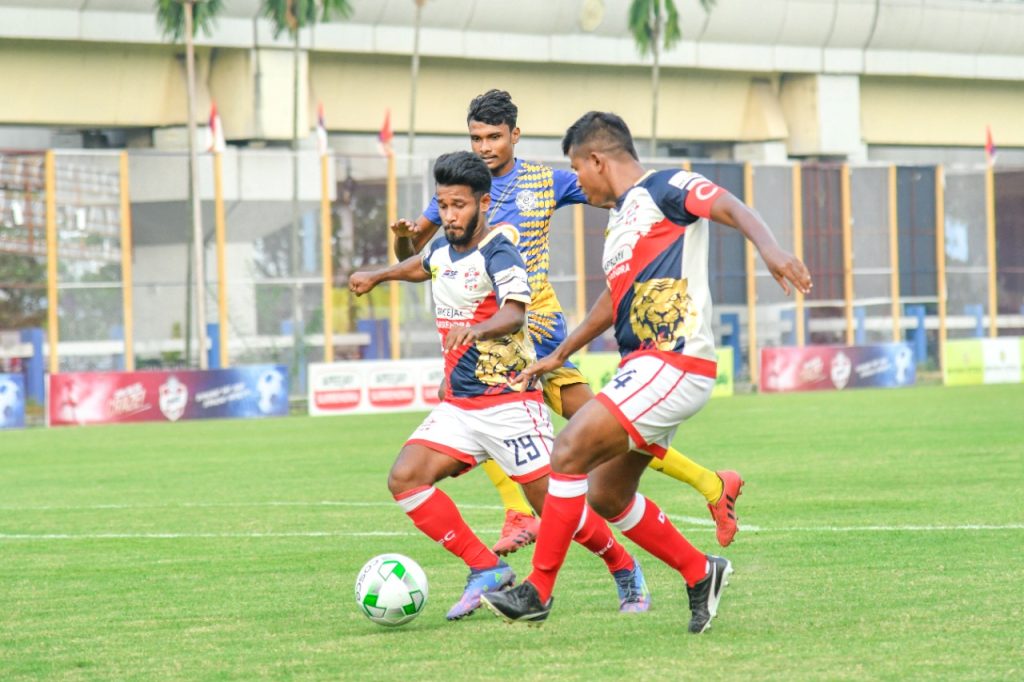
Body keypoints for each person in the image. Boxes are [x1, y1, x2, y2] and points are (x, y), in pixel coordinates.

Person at [481, 112, 813, 633]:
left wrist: (769, 248)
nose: (579, 182)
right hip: (643, 367)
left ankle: (537, 591)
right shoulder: (621, 221)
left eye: (577, 169)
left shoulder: (664, 187)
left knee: (566, 451)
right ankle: (700, 571)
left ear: (596, 160)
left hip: (673, 360)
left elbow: (729, 204)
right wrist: (561, 353)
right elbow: (613, 299)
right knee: (606, 494)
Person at [391, 89, 744, 555]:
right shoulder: (459, 190)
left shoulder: (545, 181)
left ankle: (526, 512)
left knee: (574, 420)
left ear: (515, 136)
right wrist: (403, 240)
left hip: (530, 323)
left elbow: (613, 190)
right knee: (480, 401)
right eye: (476, 138)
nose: (484, 147)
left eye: (494, 137)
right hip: (484, 328)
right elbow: (415, 254)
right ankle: (708, 484)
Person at [349, 151, 651, 621]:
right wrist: (379, 274)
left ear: (483, 203)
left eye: (459, 206)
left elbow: (514, 313)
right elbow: (419, 266)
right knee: (405, 478)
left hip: (511, 406)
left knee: (557, 510)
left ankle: (624, 566)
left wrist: (477, 329)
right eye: (443, 206)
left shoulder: (500, 250)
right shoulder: (443, 250)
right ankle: (485, 567)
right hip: (461, 407)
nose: (450, 216)